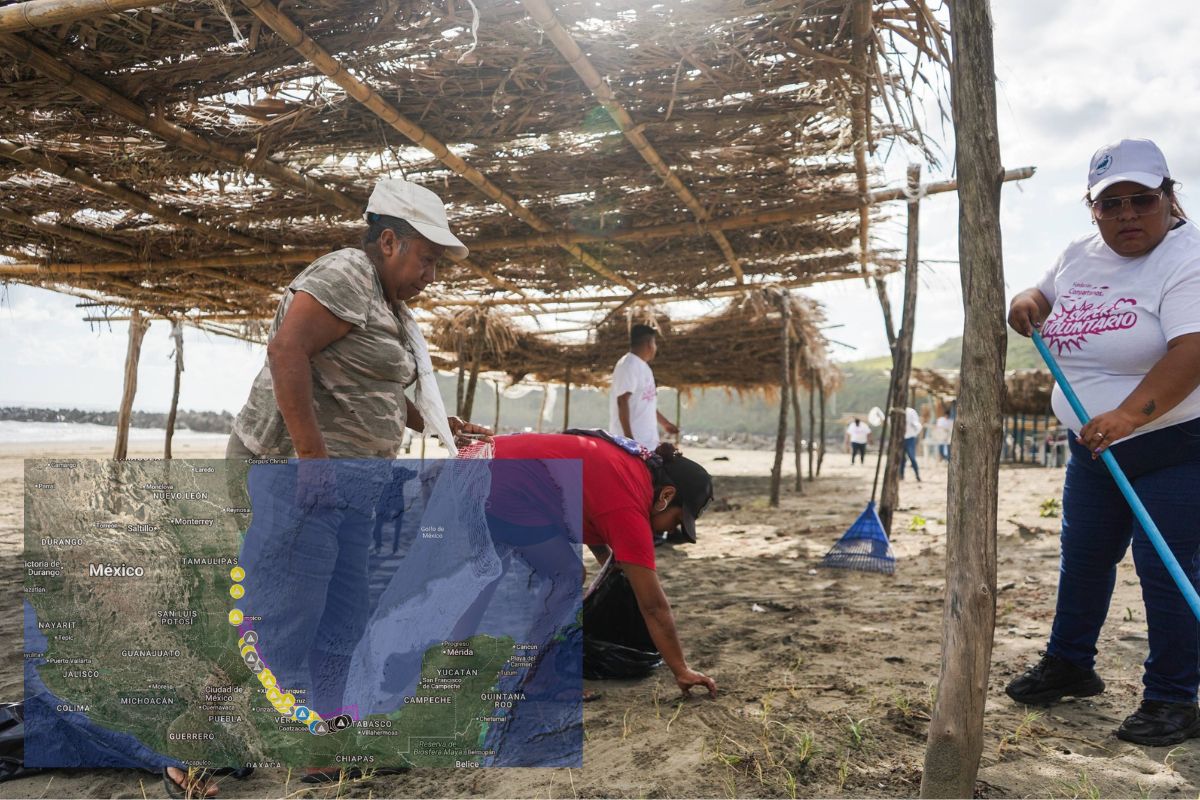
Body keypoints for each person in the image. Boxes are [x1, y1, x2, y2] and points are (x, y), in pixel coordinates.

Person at [212, 178, 490, 791]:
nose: (430, 274)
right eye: (425, 258)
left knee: (345, 615)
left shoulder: (389, 305)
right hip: (298, 475)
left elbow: (375, 387)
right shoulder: (345, 274)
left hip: (354, 485)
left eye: (436, 263)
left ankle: (324, 746)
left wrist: (443, 423)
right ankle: (194, 734)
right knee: (284, 612)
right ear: (387, 240)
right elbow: (288, 351)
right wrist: (312, 461)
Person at [1005, 138, 1200, 746]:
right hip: (1092, 449)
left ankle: (1173, 697)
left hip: (1172, 442)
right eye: (1109, 204)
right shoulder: (1077, 255)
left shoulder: (1188, 257)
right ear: (1092, 209)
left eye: (1141, 199)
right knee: (1084, 557)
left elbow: (1193, 351)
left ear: (1168, 197)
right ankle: (1071, 664)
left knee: (1165, 569)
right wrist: (1028, 302)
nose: (1126, 215)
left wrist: (1128, 415)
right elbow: (1042, 295)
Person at [479, 431, 718, 699]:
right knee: (567, 577)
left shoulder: (635, 466)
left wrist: (608, 562)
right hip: (498, 481)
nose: (673, 530)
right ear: (666, 496)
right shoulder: (629, 505)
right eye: (676, 521)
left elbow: (592, 503)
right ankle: (535, 678)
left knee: (504, 577)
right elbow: (653, 607)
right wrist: (681, 669)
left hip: (483, 460)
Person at [609, 324, 679, 449]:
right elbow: (622, 400)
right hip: (631, 443)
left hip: (647, 442)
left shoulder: (645, 367)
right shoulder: (628, 364)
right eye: (655, 343)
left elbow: (647, 401)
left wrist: (665, 423)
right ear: (649, 344)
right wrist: (629, 439)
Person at [898, 407, 922, 481]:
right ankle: (901, 475)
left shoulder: (911, 412)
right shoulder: (898, 410)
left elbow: (917, 424)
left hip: (910, 438)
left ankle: (917, 475)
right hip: (901, 438)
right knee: (902, 458)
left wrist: (915, 429)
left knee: (912, 457)